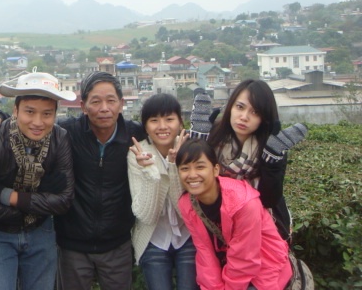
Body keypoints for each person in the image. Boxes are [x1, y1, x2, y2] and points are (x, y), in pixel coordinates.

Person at [0, 71, 145, 290]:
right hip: (71, 245)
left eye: (111, 101)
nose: (104, 108)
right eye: (96, 101)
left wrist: (8, 197)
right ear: (83, 106)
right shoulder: (68, 133)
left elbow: (165, 133)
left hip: (116, 243)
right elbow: (34, 121)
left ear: (121, 104)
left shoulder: (135, 136)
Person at [0, 72, 75, 290]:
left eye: (47, 114)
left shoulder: (59, 138)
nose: (38, 122)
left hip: (41, 233)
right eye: (30, 112)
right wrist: (36, 206)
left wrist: (6, 195)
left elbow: (64, 200)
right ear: (15, 110)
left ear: (55, 114)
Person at [176, 138, 292, 289]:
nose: (192, 175)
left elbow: (244, 258)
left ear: (215, 170)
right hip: (229, 267)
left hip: (265, 269)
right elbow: (205, 252)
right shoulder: (186, 204)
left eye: (200, 167)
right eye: (185, 168)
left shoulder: (244, 203)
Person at [200, 80, 307, 241]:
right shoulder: (212, 137)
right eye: (240, 107)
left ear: (264, 118)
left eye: (255, 112)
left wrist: (271, 159)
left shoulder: (273, 146)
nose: (244, 117)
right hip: (215, 225)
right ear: (230, 107)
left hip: (259, 229)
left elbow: (270, 199)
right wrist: (197, 142)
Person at [128, 94, 197, 290]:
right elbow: (146, 215)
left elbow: (185, 211)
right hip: (153, 238)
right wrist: (150, 173)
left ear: (180, 122)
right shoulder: (137, 154)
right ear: (145, 125)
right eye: (154, 120)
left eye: (169, 119)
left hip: (188, 236)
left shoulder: (191, 151)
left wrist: (174, 166)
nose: (162, 126)